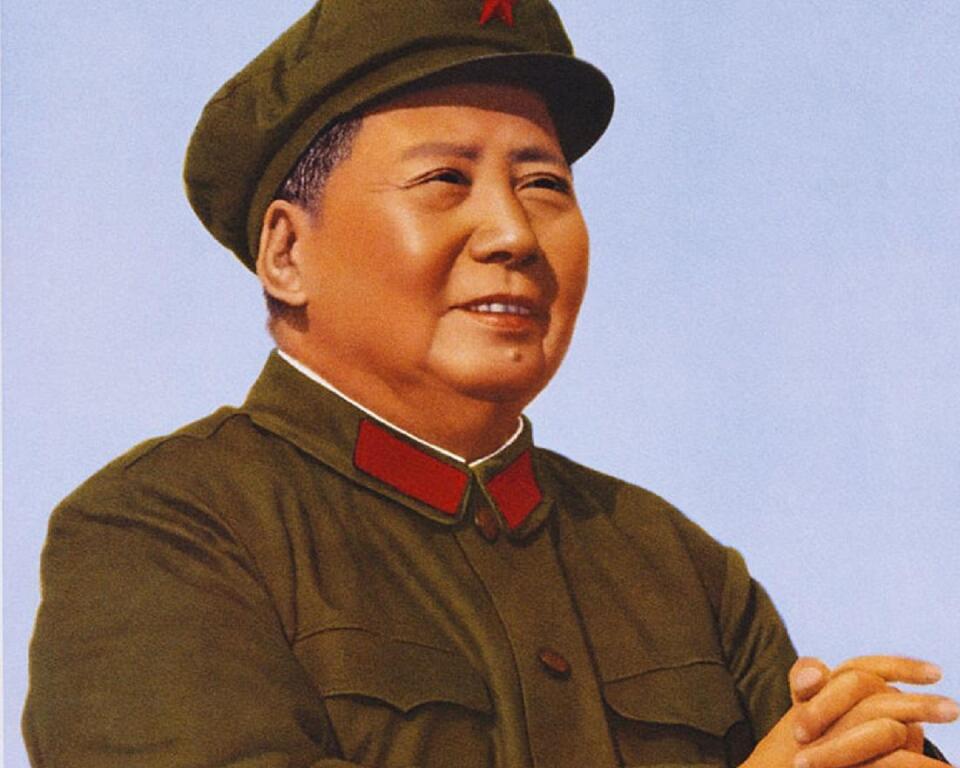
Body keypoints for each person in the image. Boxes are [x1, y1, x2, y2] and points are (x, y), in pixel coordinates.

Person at [23, 1, 957, 766]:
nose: (513, 233)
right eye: (445, 178)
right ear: (288, 252)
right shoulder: (162, 533)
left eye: (544, 184)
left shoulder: (676, 568)